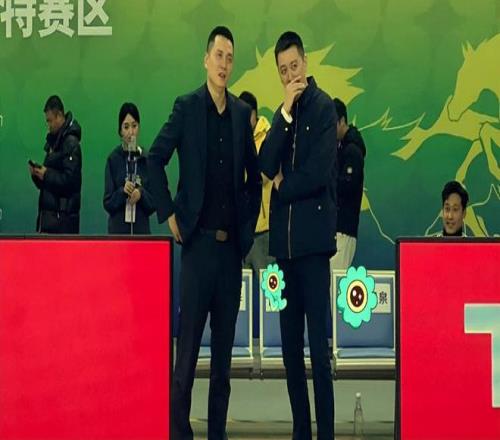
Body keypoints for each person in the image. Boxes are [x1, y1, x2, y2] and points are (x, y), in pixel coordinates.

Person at [147, 26, 261, 440]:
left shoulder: (240, 116)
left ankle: (217, 434)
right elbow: (154, 160)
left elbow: (253, 181)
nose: (224, 64)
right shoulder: (186, 107)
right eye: (218, 55)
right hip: (196, 250)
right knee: (186, 360)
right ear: (205, 59)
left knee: (222, 368)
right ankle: (180, 434)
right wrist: (168, 213)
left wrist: (245, 234)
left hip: (230, 256)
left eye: (230, 57)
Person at [259, 31, 337, 440]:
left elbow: (318, 173)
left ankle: (326, 434)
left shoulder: (325, 109)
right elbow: (264, 163)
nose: (291, 75)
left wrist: (283, 185)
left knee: (318, 353)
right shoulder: (283, 115)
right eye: (283, 70)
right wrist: (284, 115)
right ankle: (301, 431)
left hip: (314, 249)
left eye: (294, 66)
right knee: (290, 352)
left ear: (305, 62)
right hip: (284, 252)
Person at [30, 95, 82, 233]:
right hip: (50, 220)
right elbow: (50, 183)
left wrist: (46, 174)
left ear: (59, 115)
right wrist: (37, 175)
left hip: (63, 222)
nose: (48, 125)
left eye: (50, 120)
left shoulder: (71, 143)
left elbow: (70, 182)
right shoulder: (54, 142)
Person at [103, 102, 155, 234]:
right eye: (126, 127)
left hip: (141, 232)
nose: (131, 132)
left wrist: (141, 194)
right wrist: (122, 191)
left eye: (134, 126)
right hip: (118, 232)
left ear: (139, 128)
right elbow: (108, 203)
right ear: (120, 131)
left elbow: (154, 203)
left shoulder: (147, 159)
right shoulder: (113, 159)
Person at [239, 91, 274, 275]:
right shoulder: (236, 139)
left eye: (247, 115)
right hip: (241, 230)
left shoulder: (269, 137)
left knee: (269, 288)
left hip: (264, 230)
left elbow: (265, 175)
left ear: (255, 113)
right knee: (240, 289)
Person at [330, 97, 366, 270]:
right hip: (336, 229)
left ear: (342, 121)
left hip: (344, 229)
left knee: (336, 279)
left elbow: (347, 187)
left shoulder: (352, 150)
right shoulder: (341, 148)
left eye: (332, 124)